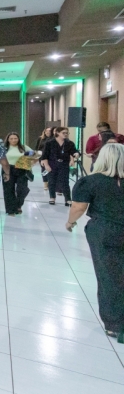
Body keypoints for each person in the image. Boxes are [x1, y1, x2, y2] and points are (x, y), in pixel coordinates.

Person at [65, 143, 124, 339]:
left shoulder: (91, 182)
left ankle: (114, 323)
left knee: (108, 276)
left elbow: (78, 208)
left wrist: (70, 222)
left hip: (104, 231)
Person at [40, 126, 79, 207]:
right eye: (63, 133)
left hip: (64, 164)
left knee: (65, 181)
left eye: (67, 133)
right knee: (52, 181)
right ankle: (52, 197)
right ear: (57, 133)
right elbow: (45, 155)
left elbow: (74, 151)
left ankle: (68, 199)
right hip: (52, 163)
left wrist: (76, 154)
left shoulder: (69, 143)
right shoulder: (50, 143)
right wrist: (46, 165)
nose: (65, 134)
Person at [2, 132, 33, 216]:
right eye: (11, 138)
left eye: (15, 138)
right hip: (7, 169)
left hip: (21, 169)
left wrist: (29, 163)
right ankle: (10, 210)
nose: (13, 140)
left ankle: (18, 205)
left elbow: (34, 154)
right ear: (8, 139)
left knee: (22, 189)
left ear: (18, 139)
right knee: (8, 190)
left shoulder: (23, 147)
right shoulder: (4, 148)